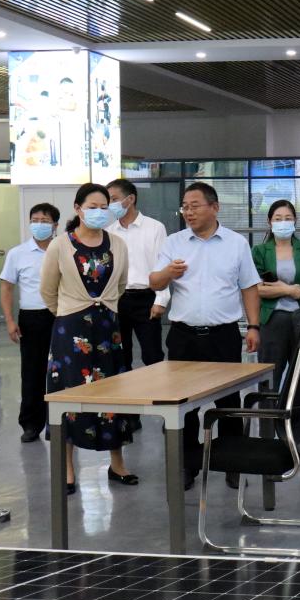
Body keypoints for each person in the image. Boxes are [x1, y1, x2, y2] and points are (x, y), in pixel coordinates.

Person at [149, 182, 261, 491]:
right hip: (183, 336)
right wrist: (168, 273)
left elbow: (249, 287)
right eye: (185, 206)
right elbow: (154, 282)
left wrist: (254, 326)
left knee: (228, 403)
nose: (189, 212)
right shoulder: (174, 243)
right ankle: (187, 465)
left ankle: (233, 464)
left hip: (223, 335)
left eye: (195, 205)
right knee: (183, 404)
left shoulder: (236, 244)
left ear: (215, 207)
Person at [40, 183, 134, 494]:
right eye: (92, 207)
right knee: (70, 395)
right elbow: (48, 291)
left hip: (108, 328)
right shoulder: (60, 245)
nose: (98, 212)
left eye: (104, 207)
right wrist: (70, 312)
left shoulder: (118, 244)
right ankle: (68, 468)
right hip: (71, 331)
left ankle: (117, 463)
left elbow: (121, 285)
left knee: (114, 394)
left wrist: (102, 305)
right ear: (78, 209)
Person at [106, 178, 169, 432]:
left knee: (153, 357)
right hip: (118, 300)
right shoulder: (109, 231)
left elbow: (163, 266)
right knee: (121, 358)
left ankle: (165, 413)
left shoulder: (154, 228)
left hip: (146, 298)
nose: (110, 204)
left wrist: (161, 300)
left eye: (113, 199)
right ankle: (129, 416)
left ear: (130, 199)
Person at [0, 203, 59, 443]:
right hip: (31, 318)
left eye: (45, 220)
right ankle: (31, 424)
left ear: (55, 225)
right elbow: (7, 288)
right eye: (35, 220)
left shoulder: (64, 250)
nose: (39, 224)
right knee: (32, 372)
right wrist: (10, 321)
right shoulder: (18, 253)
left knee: (60, 371)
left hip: (60, 316)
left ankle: (58, 423)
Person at [251, 200, 300, 396]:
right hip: (272, 320)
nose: (283, 223)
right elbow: (257, 290)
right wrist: (290, 290)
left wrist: (294, 291)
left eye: (288, 218)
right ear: (269, 222)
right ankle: (268, 414)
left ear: (295, 221)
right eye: (278, 218)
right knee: (270, 378)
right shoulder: (259, 252)